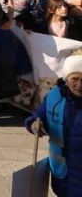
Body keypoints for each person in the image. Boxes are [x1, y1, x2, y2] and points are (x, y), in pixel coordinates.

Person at [25, 53, 82, 197]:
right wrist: (34, 124)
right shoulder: (54, 97)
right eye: (75, 79)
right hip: (60, 172)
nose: (79, 84)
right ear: (66, 78)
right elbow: (38, 115)